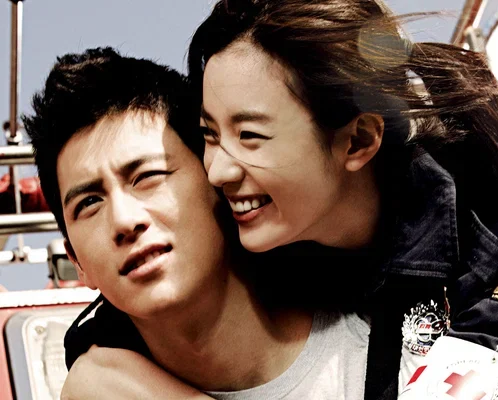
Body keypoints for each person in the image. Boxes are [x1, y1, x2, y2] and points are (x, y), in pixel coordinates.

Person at [61, 0, 498, 398]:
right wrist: (93, 374)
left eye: (250, 136)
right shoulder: (259, 219)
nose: (219, 170)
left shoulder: (494, 258)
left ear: (356, 141)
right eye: (210, 133)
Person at [25, 47, 372, 400]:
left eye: (147, 176)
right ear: (77, 262)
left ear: (217, 181)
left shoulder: (384, 344)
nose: (125, 220)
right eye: (89, 203)